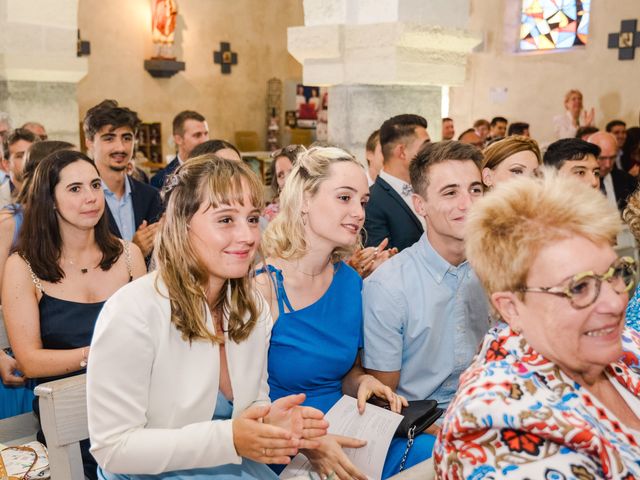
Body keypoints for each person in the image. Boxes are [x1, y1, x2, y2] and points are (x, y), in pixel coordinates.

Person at [87, 155, 326, 479]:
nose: (247, 236)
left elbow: (250, 408)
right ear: (181, 224)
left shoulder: (250, 307)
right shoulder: (132, 312)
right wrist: (230, 439)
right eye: (226, 220)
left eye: (253, 218)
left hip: (232, 467)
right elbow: (113, 448)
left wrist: (270, 426)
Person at [434, 170, 640, 478]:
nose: (616, 302)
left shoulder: (618, 345)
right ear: (511, 308)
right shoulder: (492, 422)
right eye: (579, 288)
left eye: (615, 275)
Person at [257, 146, 414, 479]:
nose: (358, 212)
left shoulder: (350, 281)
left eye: (363, 201)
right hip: (285, 444)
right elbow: (240, 406)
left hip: (349, 427)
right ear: (304, 201)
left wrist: (364, 380)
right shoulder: (265, 286)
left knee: (438, 458)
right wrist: (307, 439)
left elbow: (347, 372)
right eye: (345, 198)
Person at [2, 150, 146, 478]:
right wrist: (96, 355)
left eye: (95, 185)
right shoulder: (23, 266)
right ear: (50, 200)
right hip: (69, 418)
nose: (91, 197)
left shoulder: (128, 255)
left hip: (136, 406)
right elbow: (29, 361)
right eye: (75, 189)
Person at [363, 141, 490, 414]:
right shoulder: (389, 286)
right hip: (420, 427)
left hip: (491, 414)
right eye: (450, 192)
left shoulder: (501, 270)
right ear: (420, 205)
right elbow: (384, 402)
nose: (468, 204)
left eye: (475, 190)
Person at [84, 100, 163, 259]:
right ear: (90, 143)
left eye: (127, 138)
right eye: (109, 138)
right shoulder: (83, 199)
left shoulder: (150, 196)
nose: (120, 147)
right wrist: (133, 250)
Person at [364, 114, 429, 251]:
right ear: (402, 152)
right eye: (425, 147)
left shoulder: (428, 189)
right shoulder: (372, 201)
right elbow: (382, 263)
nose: (430, 153)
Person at [150, 110, 209, 188]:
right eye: (197, 135)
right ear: (178, 139)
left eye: (206, 134)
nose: (205, 140)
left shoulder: (216, 170)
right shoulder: (160, 181)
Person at [588, 131, 637, 212]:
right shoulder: (578, 183)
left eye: (612, 157)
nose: (608, 164)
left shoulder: (626, 179)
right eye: (602, 158)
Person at [262, 145, 301, 223]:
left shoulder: (318, 207)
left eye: (292, 172)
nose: (286, 180)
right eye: (280, 175)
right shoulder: (270, 215)